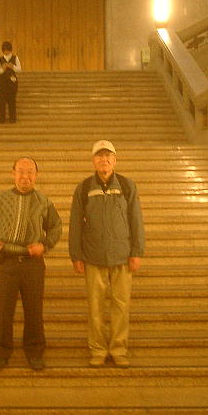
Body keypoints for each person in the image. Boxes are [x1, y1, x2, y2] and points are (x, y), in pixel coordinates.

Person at [0, 157, 62, 371]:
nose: (25, 176)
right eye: (21, 171)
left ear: (36, 175)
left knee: (34, 310)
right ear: (13, 173)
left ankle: (34, 352)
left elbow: (56, 227)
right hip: (5, 262)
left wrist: (45, 245)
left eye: (30, 172)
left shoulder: (44, 202)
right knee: (3, 310)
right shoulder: (0, 199)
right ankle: (1, 352)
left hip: (32, 263)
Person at [68, 140, 145, 368]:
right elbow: (75, 224)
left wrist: (137, 251)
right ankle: (98, 349)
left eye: (108, 156)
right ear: (93, 161)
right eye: (100, 156)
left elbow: (136, 220)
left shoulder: (127, 186)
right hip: (93, 256)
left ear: (115, 160)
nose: (104, 160)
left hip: (122, 255)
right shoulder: (84, 188)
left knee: (121, 305)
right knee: (95, 306)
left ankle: (119, 349)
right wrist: (76, 255)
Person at [0, 41, 21, 123]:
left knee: (12, 100)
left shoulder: (15, 58)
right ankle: (2, 118)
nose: (6, 52)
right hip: (1, 82)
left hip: (11, 82)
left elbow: (19, 69)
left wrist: (12, 66)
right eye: (4, 50)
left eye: (7, 50)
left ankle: (12, 118)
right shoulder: (0, 58)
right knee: (1, 101)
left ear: (10, 50)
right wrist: (3, 69)